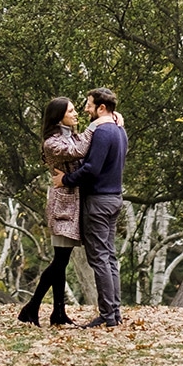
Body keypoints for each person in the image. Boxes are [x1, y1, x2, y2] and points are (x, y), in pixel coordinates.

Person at [58, 88, 126, 328]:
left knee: (99, 259)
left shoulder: (103, 131)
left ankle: (108, 315)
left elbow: (92, 168)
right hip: (115, 198)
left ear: (101, 108)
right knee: (110, 257)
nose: (85, 109)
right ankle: (114, 313)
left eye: (88, 105)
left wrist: (65, 180)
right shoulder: (119, 129)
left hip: (98, 201)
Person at [18, 96, 86, 326]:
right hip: (62, 204)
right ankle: (32, 307)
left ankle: (57, 313)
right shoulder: (52, 143)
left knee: (62, 260)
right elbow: (78, 151)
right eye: (72, 111)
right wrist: (100, 125)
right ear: (59, 118)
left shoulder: (72, 135)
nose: (76, 114)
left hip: (73, 203)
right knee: (60, 261)